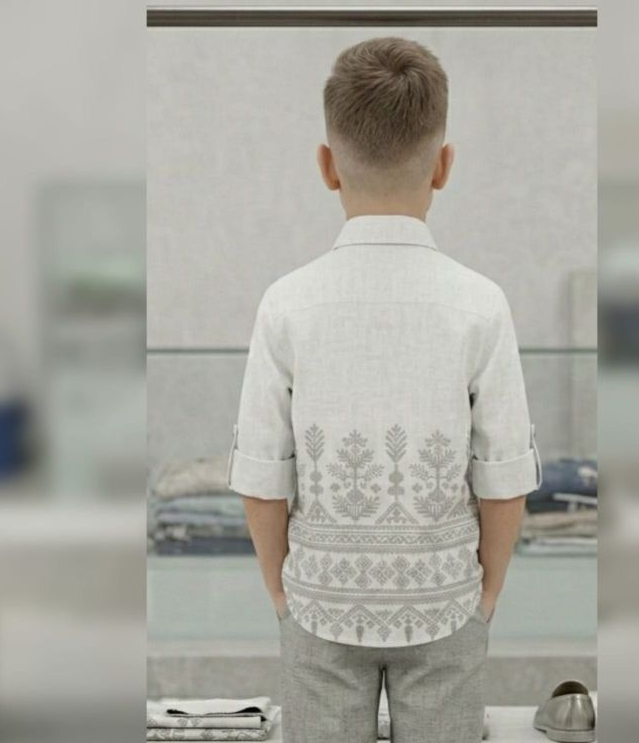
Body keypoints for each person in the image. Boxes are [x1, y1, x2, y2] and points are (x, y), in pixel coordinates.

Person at [229, 36, 541, 743]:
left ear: (326, 166)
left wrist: (283, 597)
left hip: (319, 604)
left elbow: (261, 476)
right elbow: (504, 477)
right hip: (445, 602)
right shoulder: (481, 304)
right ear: (443, 166)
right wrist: (485, 599)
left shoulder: (285, 304)